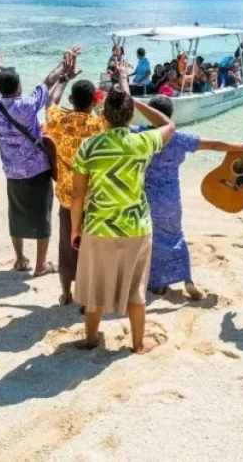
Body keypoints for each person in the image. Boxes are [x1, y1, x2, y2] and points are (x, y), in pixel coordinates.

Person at [70, 60, 176, 354]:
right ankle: (138, 344)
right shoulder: (143, 142)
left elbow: (78, 195)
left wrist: (76, 228)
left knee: (94, 287)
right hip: (136, 225)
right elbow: (169, 125)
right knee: (135, 288)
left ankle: (91, 339)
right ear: (130, 116)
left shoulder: (89, 147)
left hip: (98, 226)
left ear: (102, 115)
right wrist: (137, 101)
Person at [137, 95, 243, 299]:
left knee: (149, 238)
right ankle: (186, 278)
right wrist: (240, 147)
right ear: (171, 115)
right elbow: (215, 145)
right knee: (175, 235)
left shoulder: (138, 135)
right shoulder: (180, 139)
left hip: (143, 196)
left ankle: (156, 284)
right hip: (170, 197)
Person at [0, 48, 79, 275]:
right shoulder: (27, 105)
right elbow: (47, 82)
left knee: (16, 214)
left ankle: (19, 259)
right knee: (42, 216)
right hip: (37, 169)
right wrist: (63, 66)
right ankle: (40, 265)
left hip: (11, 170)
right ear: (19, 88)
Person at [45, 73, 107, 306]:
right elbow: (121, 111)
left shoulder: (59, 121)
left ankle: (66, 293)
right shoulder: (100, 125)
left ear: (71, 99)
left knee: (67, 247)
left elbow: (50, 102)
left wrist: (63, 79)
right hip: (96, 198)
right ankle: (89, 296)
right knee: (94, 247)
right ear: (95, 102)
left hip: (68, 199)